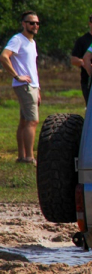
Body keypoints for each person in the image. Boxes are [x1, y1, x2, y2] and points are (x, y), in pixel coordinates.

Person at [1, 11, 41, 165]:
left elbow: (32, 67)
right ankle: (29, 158)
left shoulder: (32, 42)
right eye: (31, 23)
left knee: (25, 121)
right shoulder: (18, 39)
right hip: (24, 85)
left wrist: (38, 89)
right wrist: (17, 76)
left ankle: (22, 155)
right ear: (23, 24)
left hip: (32, 86)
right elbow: (4, 56)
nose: (35, 25)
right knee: (33, 121)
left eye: (37, 23)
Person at [71, 12, 92, 105]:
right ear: (90, 24)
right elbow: (73, 60)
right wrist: (84, 62)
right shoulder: (82, 40)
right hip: (88, 80)